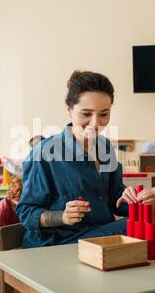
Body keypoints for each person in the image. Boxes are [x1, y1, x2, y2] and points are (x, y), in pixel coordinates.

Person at [15, 70, 129, 248]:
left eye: (104, 114)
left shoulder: (105, 147)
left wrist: (138, 200)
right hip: (58, 242)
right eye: (86, 114)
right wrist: (62, 216)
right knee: (133, 228)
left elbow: (115, 199)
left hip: (98, 234)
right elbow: (26, 212)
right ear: (69, 110)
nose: (95, 123)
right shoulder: (44, 153)